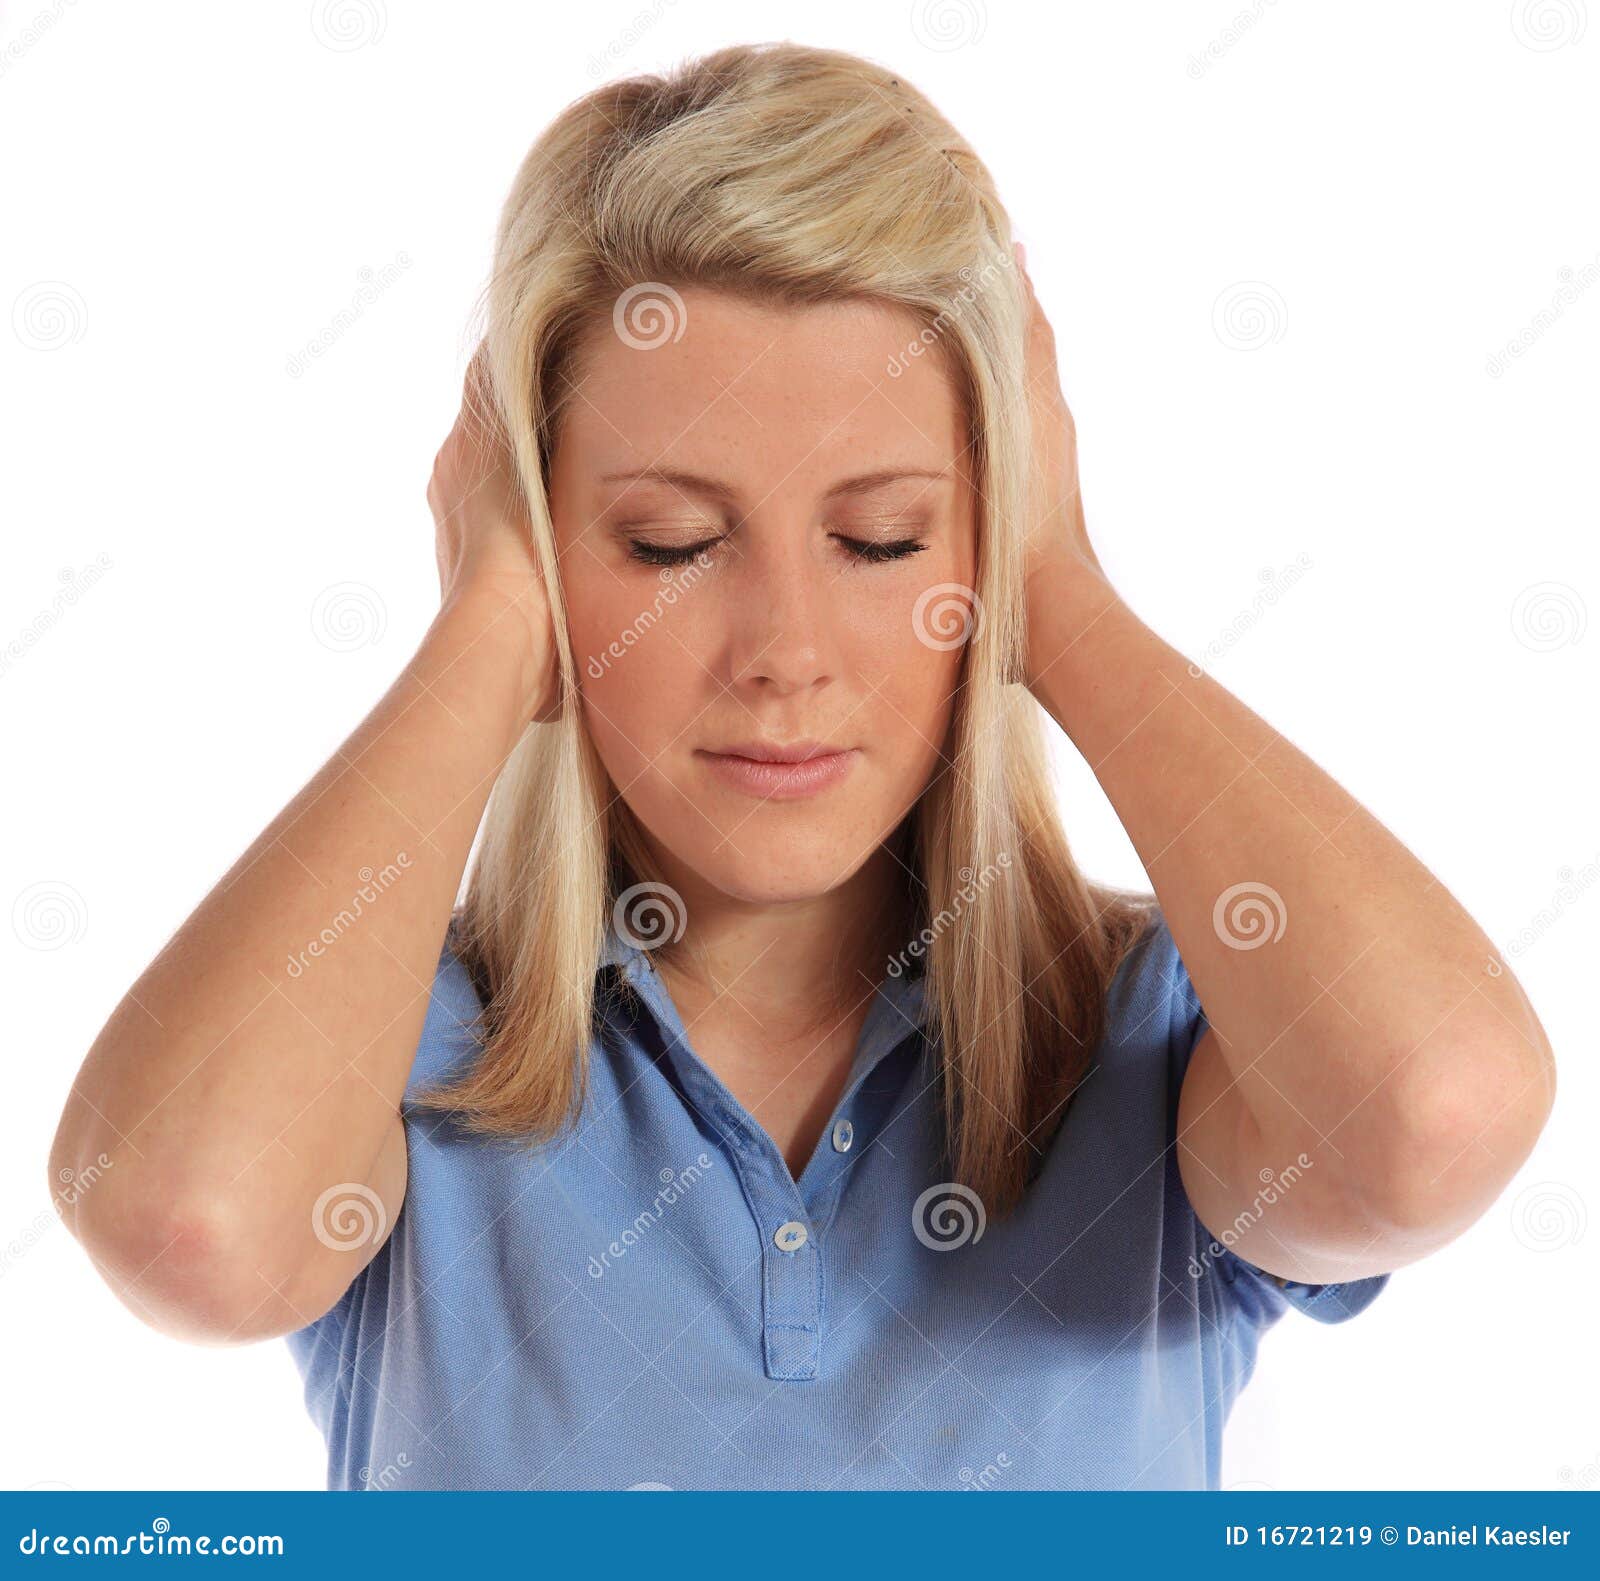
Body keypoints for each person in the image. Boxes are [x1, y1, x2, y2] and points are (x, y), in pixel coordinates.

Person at [48, 41, 1555, 1491]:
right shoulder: (390, 1053)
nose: (784, 649)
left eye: (882, 538)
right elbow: (188, 1221)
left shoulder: (1167, 1042)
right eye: (670, 543)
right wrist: (494, 623)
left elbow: (1433, 1113)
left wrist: (1066, 594)